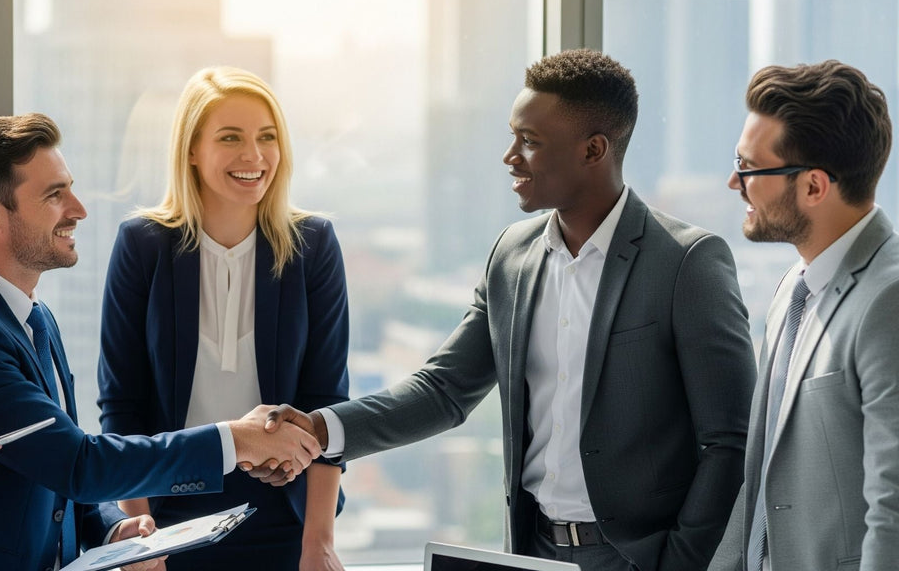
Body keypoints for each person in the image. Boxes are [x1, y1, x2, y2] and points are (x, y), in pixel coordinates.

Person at [263, 49, 757, 571]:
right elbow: (444, 389)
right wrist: (321, 430)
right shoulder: (511, 257)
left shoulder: (686, 262)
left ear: (593, 150)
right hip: (531, 552)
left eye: (530, 142)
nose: (510, 156)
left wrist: (678, 563)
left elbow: (731, 440)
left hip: (638, 559)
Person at [0, 112, 321, 571]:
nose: (78, 208)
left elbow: (50, 464)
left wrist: (112, 527)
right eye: (55, 195)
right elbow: (77, 464)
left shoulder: (32, 315)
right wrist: (235, 439)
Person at [97, 66, 349, 571]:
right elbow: (122, 407)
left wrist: (318, 543)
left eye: (267, 137)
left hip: (284, 514)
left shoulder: (312, 245)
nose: (253, 156)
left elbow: (327, 404)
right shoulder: (143, 245)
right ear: (191, 149)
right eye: (230, 138)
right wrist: (142, 544)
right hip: (168, 515)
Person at [708, 61, 899, 571]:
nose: (734, 182)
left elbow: (894, 506)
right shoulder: (792, 288)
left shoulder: (889, 300)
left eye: (749, 168)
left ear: (814, 187)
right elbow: (762, 473)